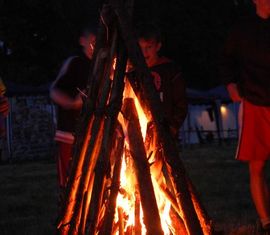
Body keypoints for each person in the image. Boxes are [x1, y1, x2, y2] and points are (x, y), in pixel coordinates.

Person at [220, 0, 270, 233]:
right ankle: (266, 221)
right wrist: (231, 84)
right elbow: (227, 59)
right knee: (257, 166)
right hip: (255, 102)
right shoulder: (243, 29)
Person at [50, 26, 96, 194]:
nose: (95, 47)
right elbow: (54, 91)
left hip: (92, 134)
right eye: (92, 42)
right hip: (69, 133)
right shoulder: (75, 63)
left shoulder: (102, 66)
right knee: (69, 181)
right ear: (82, 41)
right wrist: (72, 103)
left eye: (99, 43)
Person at [135, 22, 188, 138]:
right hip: (141, 132)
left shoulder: (170, 70)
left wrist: (173, 126)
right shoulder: (134, 73)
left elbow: (181, 102)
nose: (144, 53)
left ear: (158, 46)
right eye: (141, 48)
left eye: (149, 47)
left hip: (166, 131)